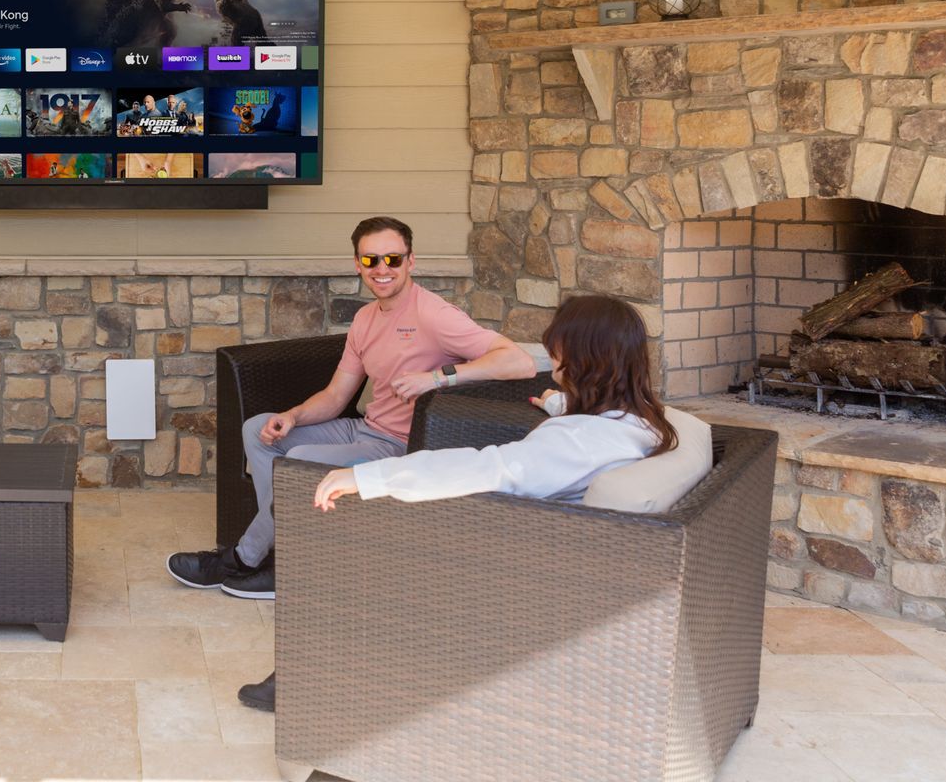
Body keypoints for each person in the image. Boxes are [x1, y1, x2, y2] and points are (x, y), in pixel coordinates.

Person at [240, 292, 678, 712]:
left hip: (514, 573)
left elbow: (490, 468)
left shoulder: (577, 441)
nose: (553, 359)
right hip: (556, 556)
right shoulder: (641, 422)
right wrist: (560, 403)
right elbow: (577, 441)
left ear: (585, 359)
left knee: (358, 549)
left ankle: (312, 680)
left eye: (559, 350)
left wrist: (368, 477)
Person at [167, 216, 536, 604]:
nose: (382, 269)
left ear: (411, 262)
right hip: (365, 429)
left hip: (399, 444)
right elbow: (336, 396)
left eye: (393, 259)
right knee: (258, 430)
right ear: (358, 264)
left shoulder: (434, 314)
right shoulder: (365, 318)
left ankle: (245, 558)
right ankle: (285, 550)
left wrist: (438, 377)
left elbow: (518, 362)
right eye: (371, 260)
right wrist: (291, 417)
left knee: (300, 459)